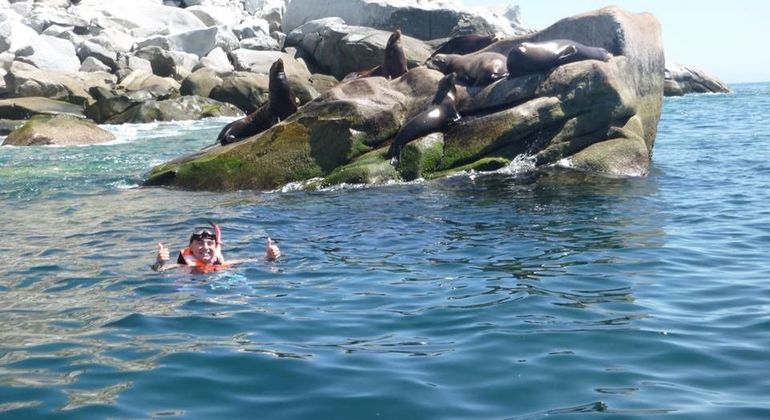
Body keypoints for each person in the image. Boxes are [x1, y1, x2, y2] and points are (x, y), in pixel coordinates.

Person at [151, 222, 281, 272]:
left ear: (216, 246)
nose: (205, 247)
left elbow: (253, 261)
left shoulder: (223, 263)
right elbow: (158, 271)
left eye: (209, 243)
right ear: (190, 247)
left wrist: (270, 258)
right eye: (200, 243)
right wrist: (159, 262)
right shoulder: (183, 266)